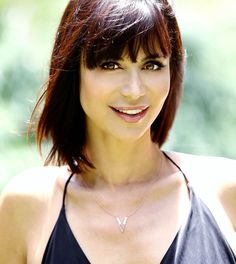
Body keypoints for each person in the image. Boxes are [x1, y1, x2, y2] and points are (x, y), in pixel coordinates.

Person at [0, 0, 235, 263]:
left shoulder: (225, 190)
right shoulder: (29, 206)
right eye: (111, 64)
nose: (134, 91)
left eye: (152, 65)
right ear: (73, 71)